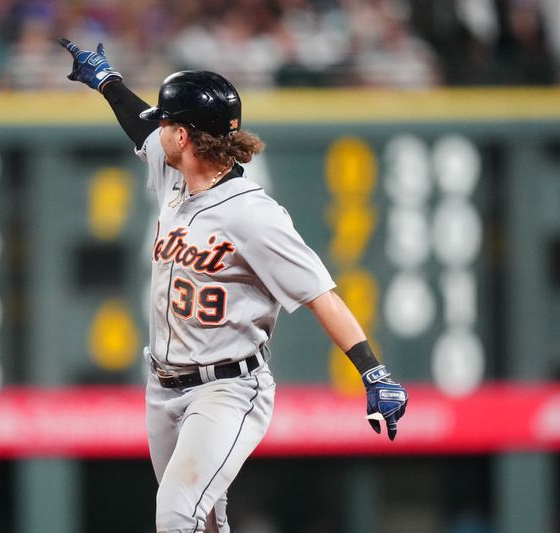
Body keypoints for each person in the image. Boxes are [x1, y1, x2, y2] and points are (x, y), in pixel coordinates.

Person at [58, 39, 408, 533]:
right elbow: (139, 125)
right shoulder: (174, 171)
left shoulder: (253, 216)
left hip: (227, 388)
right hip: (163, 386)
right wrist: (108, 82)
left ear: (184, 136)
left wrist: (373, 372)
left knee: (177, 515)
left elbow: (319, 294)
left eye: (167, 124)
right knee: (202, 524)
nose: (158, 130)